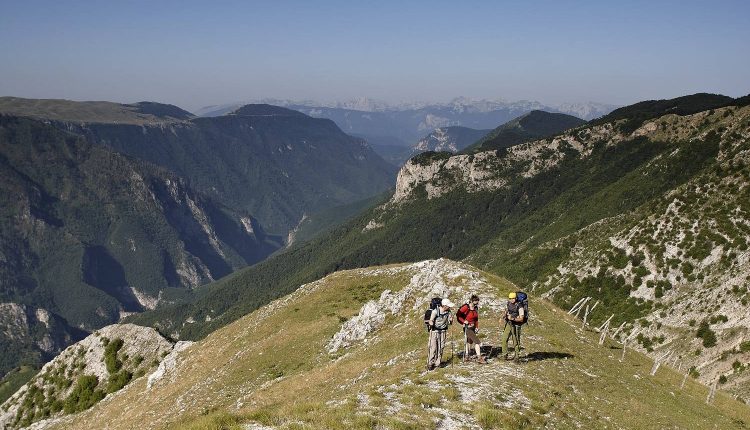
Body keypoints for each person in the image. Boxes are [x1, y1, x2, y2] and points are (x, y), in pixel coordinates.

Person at [426, 298, 454, 370]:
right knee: (433, 347)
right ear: (444, 306)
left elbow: (449, 321)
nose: (449, 307)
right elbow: (431, 320)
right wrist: (431, 323)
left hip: (443, 331)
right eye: (448, 306)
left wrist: (451, 320)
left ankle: (437, 363)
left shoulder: (448, 311)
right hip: (435, 331)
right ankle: (430, 363)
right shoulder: (435, 311)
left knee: (441, 347)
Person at [456, 295, 486, 363]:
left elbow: (476, 319)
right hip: (467, 327)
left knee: (470, 341)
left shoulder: (475, 308)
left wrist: (477, 327)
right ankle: (479, 357)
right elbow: (458, 315)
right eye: (476, 301)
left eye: (477, 301)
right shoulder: (466, 307)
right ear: (472, 301)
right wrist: (464, 321)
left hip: (473, 327)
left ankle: (467, 355)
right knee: (477, 341)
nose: (477, 303)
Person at [501, 292, 525, 360]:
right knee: (504, 339)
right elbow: (506, 310)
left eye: (513, 298)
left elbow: (521, 319)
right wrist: (503, 316)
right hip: (509, 323)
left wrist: (512, 318)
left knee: (516, 340)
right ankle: (504, 355)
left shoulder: (520, 306)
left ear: (516, 298)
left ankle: (517, 356)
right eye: (510, 298)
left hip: (516, 325)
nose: (511, 300)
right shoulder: (508, 303)